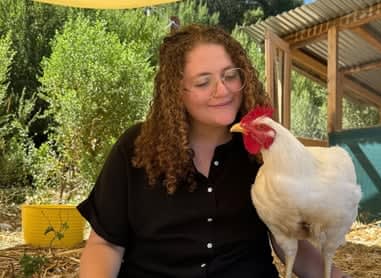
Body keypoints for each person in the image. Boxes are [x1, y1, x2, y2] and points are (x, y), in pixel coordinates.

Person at [78, 24, 348, 278]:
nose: (223, 90)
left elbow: (291, 245)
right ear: (176, 92)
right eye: (203, 82)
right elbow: (106, 245)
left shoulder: (264, 153)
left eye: (230, 76)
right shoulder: (135, 148)